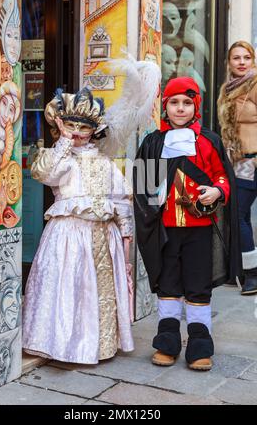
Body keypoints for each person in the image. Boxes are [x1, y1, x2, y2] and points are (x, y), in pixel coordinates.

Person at [133, 77, 241, 371]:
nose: (180, 108)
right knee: (167, 283)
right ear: (164, 107)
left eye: (186, 103)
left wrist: (217, 191)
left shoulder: (209, 140)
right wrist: (152, 205)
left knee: (197, 284)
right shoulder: (153, 141)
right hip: (164, 229)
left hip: (200, 229)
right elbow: (142, 185)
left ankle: (199, 345)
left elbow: (222, 176)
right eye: (174, 102)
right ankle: (166, 342)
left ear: (196, 107)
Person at [22, 88, 134, 364]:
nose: (77, 132)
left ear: (94, 130)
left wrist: (126, 242)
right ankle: (62, 345)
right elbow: (45, 174)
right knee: (69, 287)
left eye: (84, 127)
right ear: (59, 125)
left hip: (103, 237)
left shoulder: (105, 163)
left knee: (93, 292)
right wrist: (63, 141)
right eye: (70, 125)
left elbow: (121, 201)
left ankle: (96, 345)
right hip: (69, 235)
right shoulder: (60, 158)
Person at [218, 41, 257, 295]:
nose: (241, 62)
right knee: (238, 215)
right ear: (229, 62)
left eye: (246, 57)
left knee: (238, 214)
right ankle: (240, 269)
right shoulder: (227, 88)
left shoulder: (254, 85)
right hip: (238, 161)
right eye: (236, 58)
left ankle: (252, 274)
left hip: (252, 160)